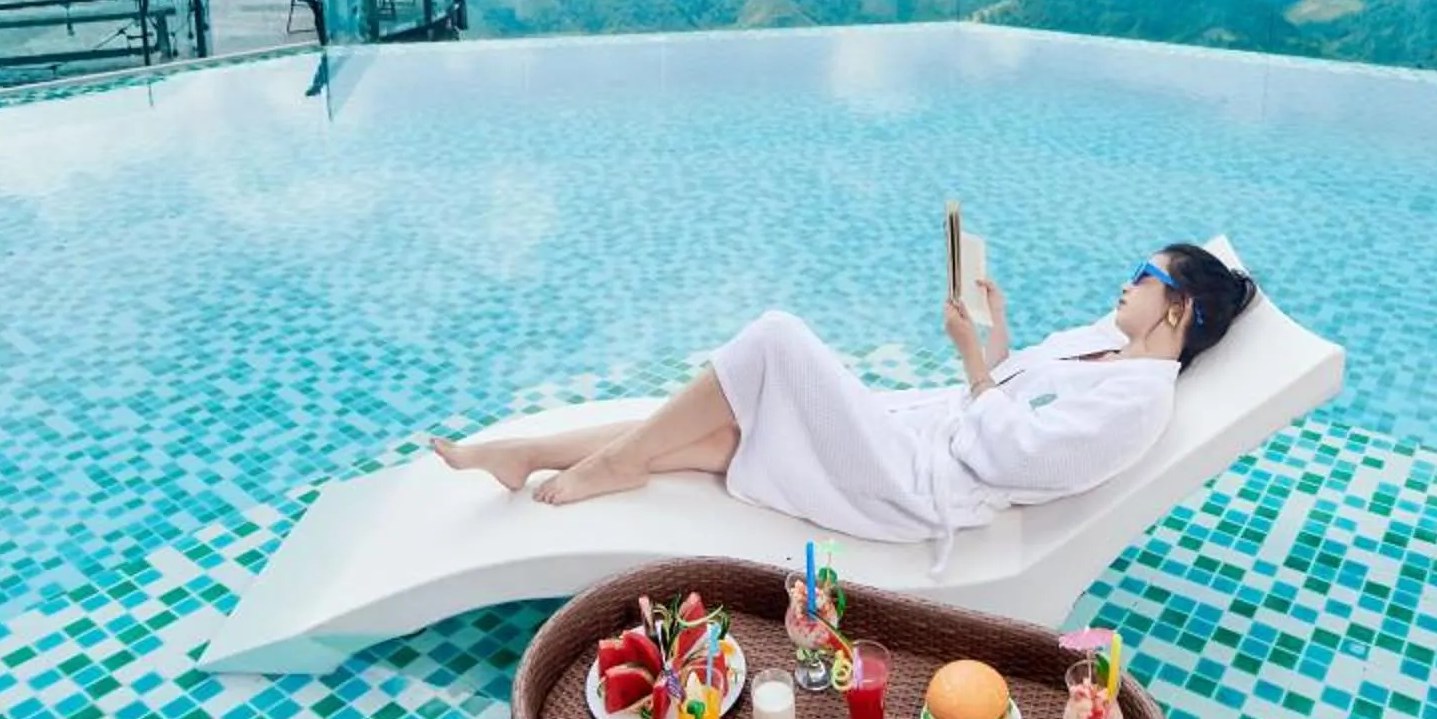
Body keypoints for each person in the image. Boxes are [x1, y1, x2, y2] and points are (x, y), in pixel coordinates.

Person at [429, 243, 1260, 556]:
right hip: (915, 433)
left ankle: (614, 463)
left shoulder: (1138, 405)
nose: (1125, 282)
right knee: (724, 427)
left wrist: (972, 361)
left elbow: (1016, 455)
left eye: (1144, 276)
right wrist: (998, 334)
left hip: (916, 483)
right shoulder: (1105, 344)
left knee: (775, 338)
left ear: (1178, 309)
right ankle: (530, 454)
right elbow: (1018, 394)